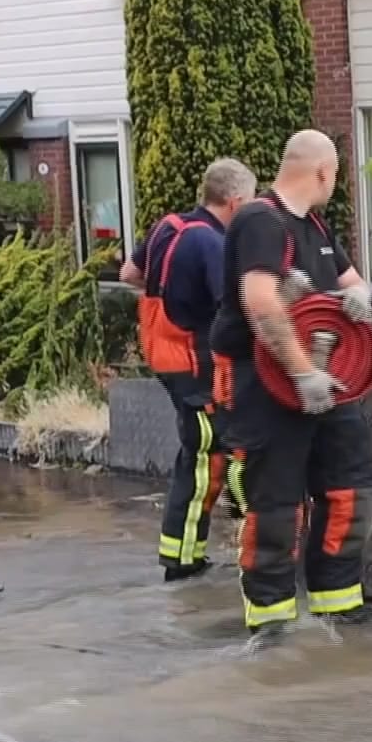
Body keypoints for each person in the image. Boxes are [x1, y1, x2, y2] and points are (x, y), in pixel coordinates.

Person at [208, 130, 372, 637]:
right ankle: (272, 628)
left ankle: (337, 609)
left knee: (351, 490)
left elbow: (350, 282)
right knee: (277, 507)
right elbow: (260, 303)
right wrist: (303, 373)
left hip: (329, 385)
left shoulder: (316, 226)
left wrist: (361, 297)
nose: (335, 183)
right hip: (267, 386)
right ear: (323, 172)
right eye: (336, 176)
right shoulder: (261, 220)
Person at [119, 158, 257, 582]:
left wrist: (174, 297)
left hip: (165, 357)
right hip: (196, 367)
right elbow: (233, 308)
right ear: (234, 202)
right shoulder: (212, 244)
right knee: (206, 461)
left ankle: (183, 551)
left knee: (197, 454)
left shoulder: (170, 226)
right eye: (250, 202)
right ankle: (181, 560)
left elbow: (129, 273)